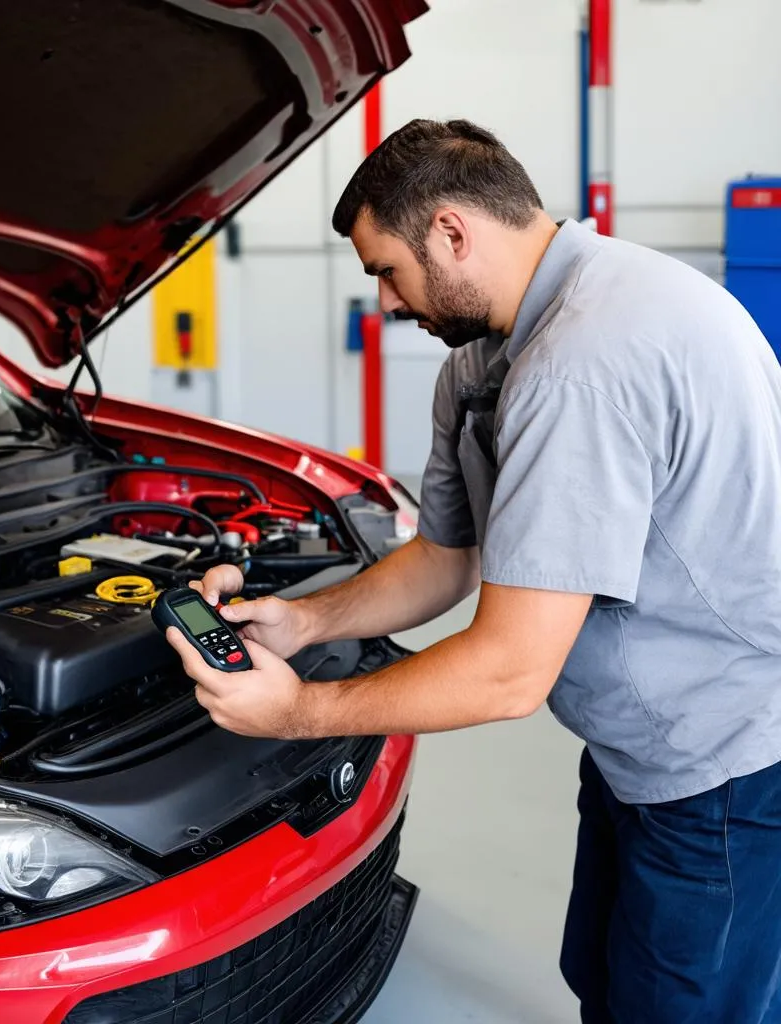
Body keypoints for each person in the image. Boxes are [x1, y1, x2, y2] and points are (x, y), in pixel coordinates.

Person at [163, 118, 781, 1023]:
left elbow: (507, 672)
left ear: (451, 232)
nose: (385, 300)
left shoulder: (587, 360)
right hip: (636, 748)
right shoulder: (488, 358)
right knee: (608, 980)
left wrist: (298, 713)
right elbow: (446, 558)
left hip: (725, 763)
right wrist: (305, 622)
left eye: (386, 269)